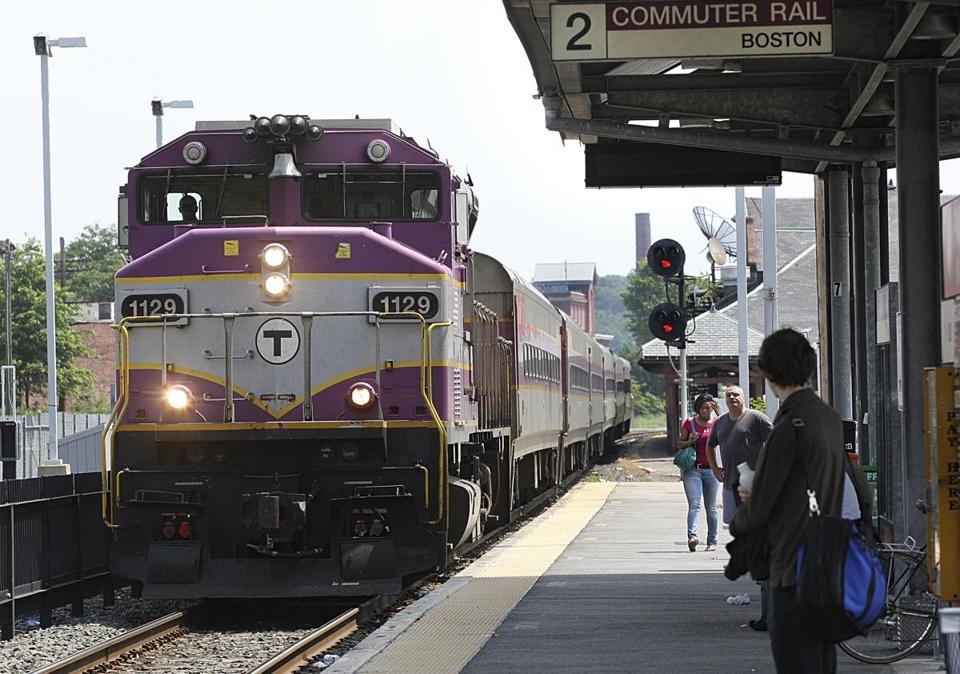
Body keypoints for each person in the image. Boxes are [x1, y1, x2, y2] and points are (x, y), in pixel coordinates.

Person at [732, 328, 871, 673]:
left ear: (766, 371)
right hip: (829, 561)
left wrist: (742, 510)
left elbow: (760, 507)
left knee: (796, 661)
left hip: (794, 567)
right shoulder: (828, 417)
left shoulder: (788, 426)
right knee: (821, 660)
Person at [706, 386, 772, 526]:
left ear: (743, 398)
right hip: (730, 481)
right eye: (728, 395)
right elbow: (710, 445)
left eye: (736, 395)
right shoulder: (719, 422)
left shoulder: (756, 418)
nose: (732, 398)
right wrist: (715, 469)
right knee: (733, 523)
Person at [677, 393, 721, 552]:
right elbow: (679, 443)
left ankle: (712, 541)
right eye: (702, 408)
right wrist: (690, 441)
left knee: (711, 508)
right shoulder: (690, 423)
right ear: (698, 408)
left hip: (712, 470)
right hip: (693, 470)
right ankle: (692, 537)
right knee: (694, 505)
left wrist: (719, 414)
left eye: (708, 407)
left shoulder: (718, 422)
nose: (705, 411)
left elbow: (729, 435)